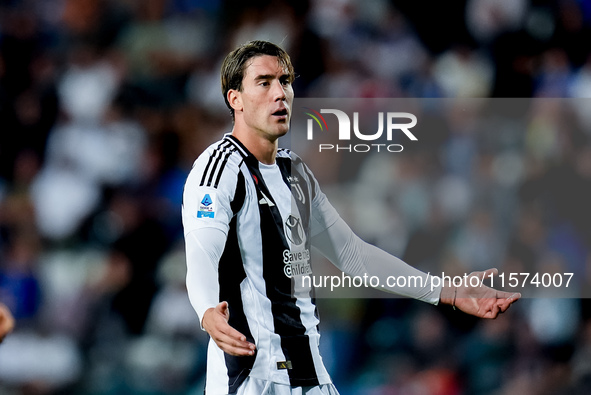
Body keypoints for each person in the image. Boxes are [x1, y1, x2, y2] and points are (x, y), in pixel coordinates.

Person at [182, 40, 520, 395]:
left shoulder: (294, 172)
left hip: (310, 377)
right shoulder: (219, 169)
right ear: (235, 99)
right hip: (251, 377)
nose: (279, 93)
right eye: (264, 83)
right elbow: (201, 253)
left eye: (285, 81)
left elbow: (353, 255)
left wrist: (447, 291)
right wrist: (207, 310)